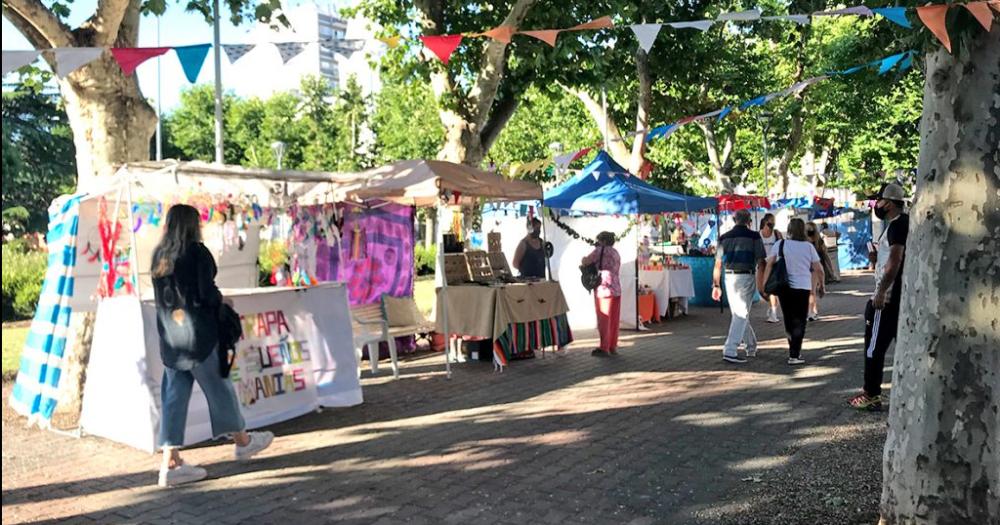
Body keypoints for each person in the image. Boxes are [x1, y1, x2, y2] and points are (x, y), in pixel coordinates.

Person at [151, 204, 273, 487]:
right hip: (199, 337)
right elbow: (206, 293)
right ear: (193, 225)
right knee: (220, 388)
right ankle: (243, 442)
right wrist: (222, 302)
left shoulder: (160, 256)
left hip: (171, 340)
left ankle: (170, 461)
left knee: (174, 398)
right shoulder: (196, 253)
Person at [850, 183, 909, 411]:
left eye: (880, 200)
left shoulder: (897, 226)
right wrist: (875, 258)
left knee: (873, 348)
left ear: (890, 203)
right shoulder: (901, 225)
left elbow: (895, 260)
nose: (877, 205)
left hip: (887, 300)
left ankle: (871, 393)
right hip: (898, 297)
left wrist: (882, 291)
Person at [760, 218, 826, 365]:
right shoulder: (808, 247)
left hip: (784, 287)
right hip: (803, 287)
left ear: (789, 229)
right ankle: (795, 353)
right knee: (800, 320)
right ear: (802, 230)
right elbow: (819, 269)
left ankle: (793, 349)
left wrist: (764, 284)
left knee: (789, 319)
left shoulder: (780, 244)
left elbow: (769, 264)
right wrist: (822, 285)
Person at [713, 209, 767, 364]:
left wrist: (716, 285)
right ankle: (730, 349)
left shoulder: (724, 237)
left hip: (729, 277)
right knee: (741, 314)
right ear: (749, 220)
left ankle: (751, 346)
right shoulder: (754, 236)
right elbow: (761, 261)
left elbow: (717, 264)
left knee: (739, 314)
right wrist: (761, 284)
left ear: (734, 219)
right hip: (747, 276)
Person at [581, 231, 622, 357]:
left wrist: (585, 259)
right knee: (614, 319)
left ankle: (604, 347)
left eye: (599, 240)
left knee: (604, 318)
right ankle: (612, 346)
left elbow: (585, 261)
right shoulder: (616, 252)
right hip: (616, 287)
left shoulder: (599, 250)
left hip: (603, 288)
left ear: (603, 241)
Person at [806, 221, 833, 321]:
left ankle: (811, 311)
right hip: (814, 268)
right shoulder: (818, 241)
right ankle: (813, 310)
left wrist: (830, 268)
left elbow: (825, 255)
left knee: (810, 291)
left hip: (809, 268)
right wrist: (831, 269)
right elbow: (825, 255)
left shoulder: (805, 241)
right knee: (812, 290)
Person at [759, 214, 783, 323]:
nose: (772, 224)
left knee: (771, 289)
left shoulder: (777, 234)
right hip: (762, 263)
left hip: (774, 263)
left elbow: (782, 246)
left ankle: (773, 313)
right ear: (764, 222)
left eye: (773, 222)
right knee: (761, 290)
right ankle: (771, 305)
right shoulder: (758, 235)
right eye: (770, 222)